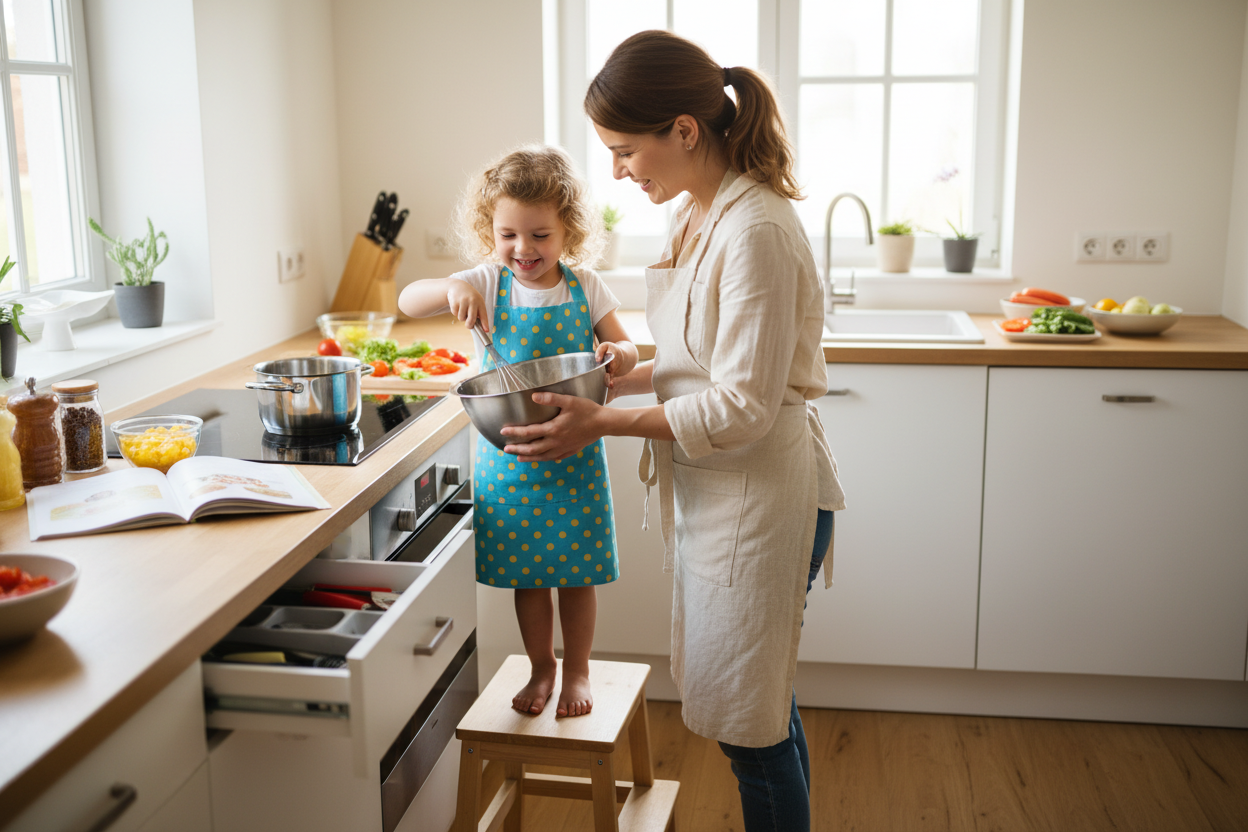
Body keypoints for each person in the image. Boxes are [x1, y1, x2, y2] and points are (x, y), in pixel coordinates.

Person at [497, 31, 844, 831]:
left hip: (761, 499)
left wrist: (603, 422)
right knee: (758, 706)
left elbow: (743, 405)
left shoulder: (756, 230)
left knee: (751, 729)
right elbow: (706, 358)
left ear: (684, 130)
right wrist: (621, 373)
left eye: (625, 151)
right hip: (721, 494)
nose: (619, 172)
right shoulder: (698, 212)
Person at [399, 145, 639, 718]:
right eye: (508, 234)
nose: (523, 249)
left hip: (575, 452)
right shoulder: (484, 281)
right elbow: (408, 301)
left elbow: (626, 345)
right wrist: (451, 288)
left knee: (577, 575)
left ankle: (577, 669)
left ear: (568, 230)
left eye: (540, 235)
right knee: (528, 577)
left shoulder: (586, 286)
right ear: (490, 230)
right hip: (509, 456)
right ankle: (542, 667)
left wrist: (619, 354)